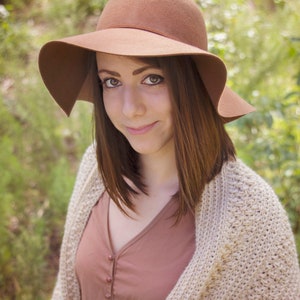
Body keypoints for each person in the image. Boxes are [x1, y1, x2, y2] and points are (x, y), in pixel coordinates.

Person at [38, 0, 300, 299]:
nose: (130, 108)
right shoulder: (95, 169)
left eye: (152, 79)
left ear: (191, 84)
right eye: (111, 81)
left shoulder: (252, 216)